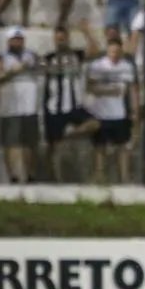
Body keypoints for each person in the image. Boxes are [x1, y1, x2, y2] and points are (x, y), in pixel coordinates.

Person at [42, 22, 101, 182]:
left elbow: (94, 50)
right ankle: (52, 178)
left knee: (94, 123)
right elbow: (39, 67)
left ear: (68, 39)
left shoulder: (76, 55)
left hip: (74, 106)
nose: (61, 41)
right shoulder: (49, 58)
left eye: (63, 38)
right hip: (54, 108)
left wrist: (86, 31)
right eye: (58, 39)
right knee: (52, 146)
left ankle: (71, 133)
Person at [86, 37, 138, 183]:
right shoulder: (97, 66)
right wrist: (110, 91)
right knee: (100, 148)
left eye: (117, 51)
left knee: (122, 148)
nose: (114, 54)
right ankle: (99, 178)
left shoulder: (126, 66)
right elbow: (90, 87)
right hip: (100, 113)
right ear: (107, 50)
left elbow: (130, 90)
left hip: (119, 113)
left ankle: (124, 178)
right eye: (112, 51)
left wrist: (134, 111)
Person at [0, 27, 40, 183]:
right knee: (11, 142)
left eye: (19, 39)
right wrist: (15, 71)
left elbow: (40, 67)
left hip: (29, 105)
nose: (17, 42)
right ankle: (13, 175)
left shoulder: (31, 56)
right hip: (10, 106)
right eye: (14, 39)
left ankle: (30, 175)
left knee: (29, 143)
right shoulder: (1, 57)